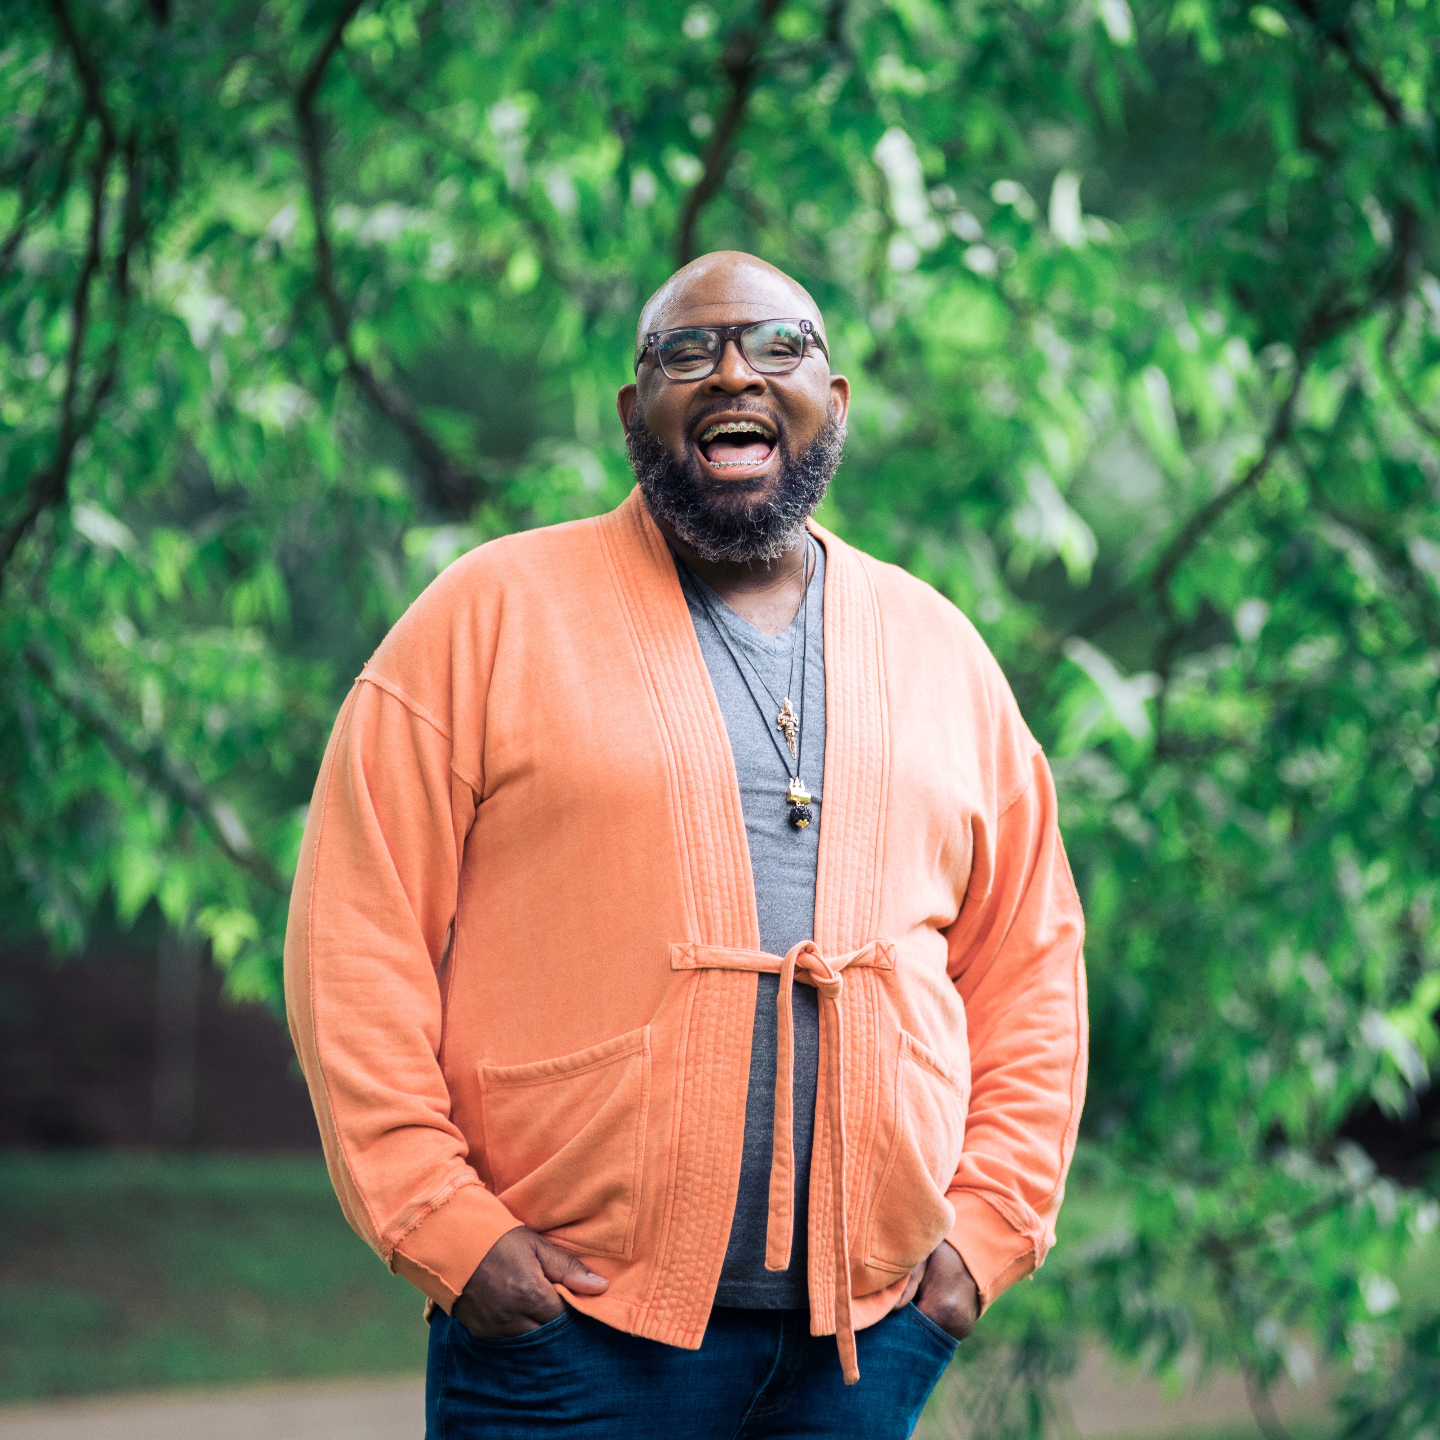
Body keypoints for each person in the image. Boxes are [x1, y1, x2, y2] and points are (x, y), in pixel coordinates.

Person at [284, 251, 1087, 1439]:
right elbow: (355, 937)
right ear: (634, 411)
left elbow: (1030, 966)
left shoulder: (942, 651)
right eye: (686, 351)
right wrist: (445, 1226)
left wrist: (983, 1240)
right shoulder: (488, 614)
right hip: (565, 1340)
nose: (732, 374)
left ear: (834, 398)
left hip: (865, 1344)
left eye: (777, 346)